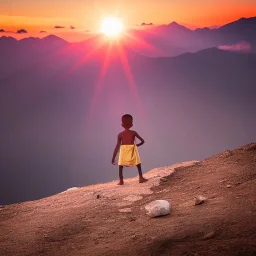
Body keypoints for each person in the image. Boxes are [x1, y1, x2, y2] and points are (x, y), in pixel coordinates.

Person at [112, 114, 148, 185]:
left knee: (121, 165)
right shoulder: (133, 133)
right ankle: (141, 178)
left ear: (122, 125)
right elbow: (142, 141)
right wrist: (136, 145)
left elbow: (117, 146)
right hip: (132, 149)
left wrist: (113, 158)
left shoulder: (120, 134)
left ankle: (121, 181)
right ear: (132, 124)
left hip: (123, 150)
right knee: (138, 163)